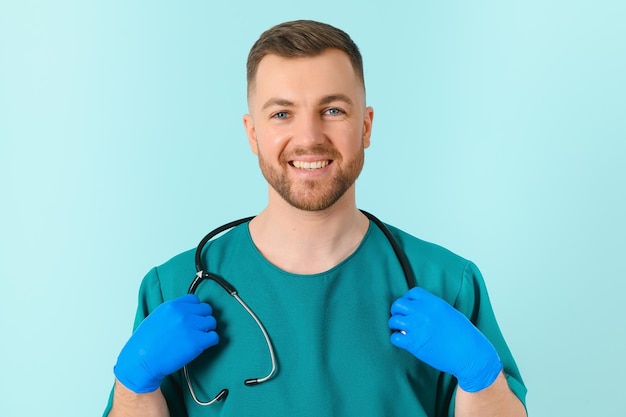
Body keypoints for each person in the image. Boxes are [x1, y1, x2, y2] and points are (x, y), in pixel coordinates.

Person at [104, 20, 527, 417]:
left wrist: (481, 378)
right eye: (282, 114)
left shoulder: (445, 284)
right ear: (253, 133)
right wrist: (134, 386)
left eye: (333, 110)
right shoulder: (174, 289)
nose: (308, 137)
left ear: (366, 125)